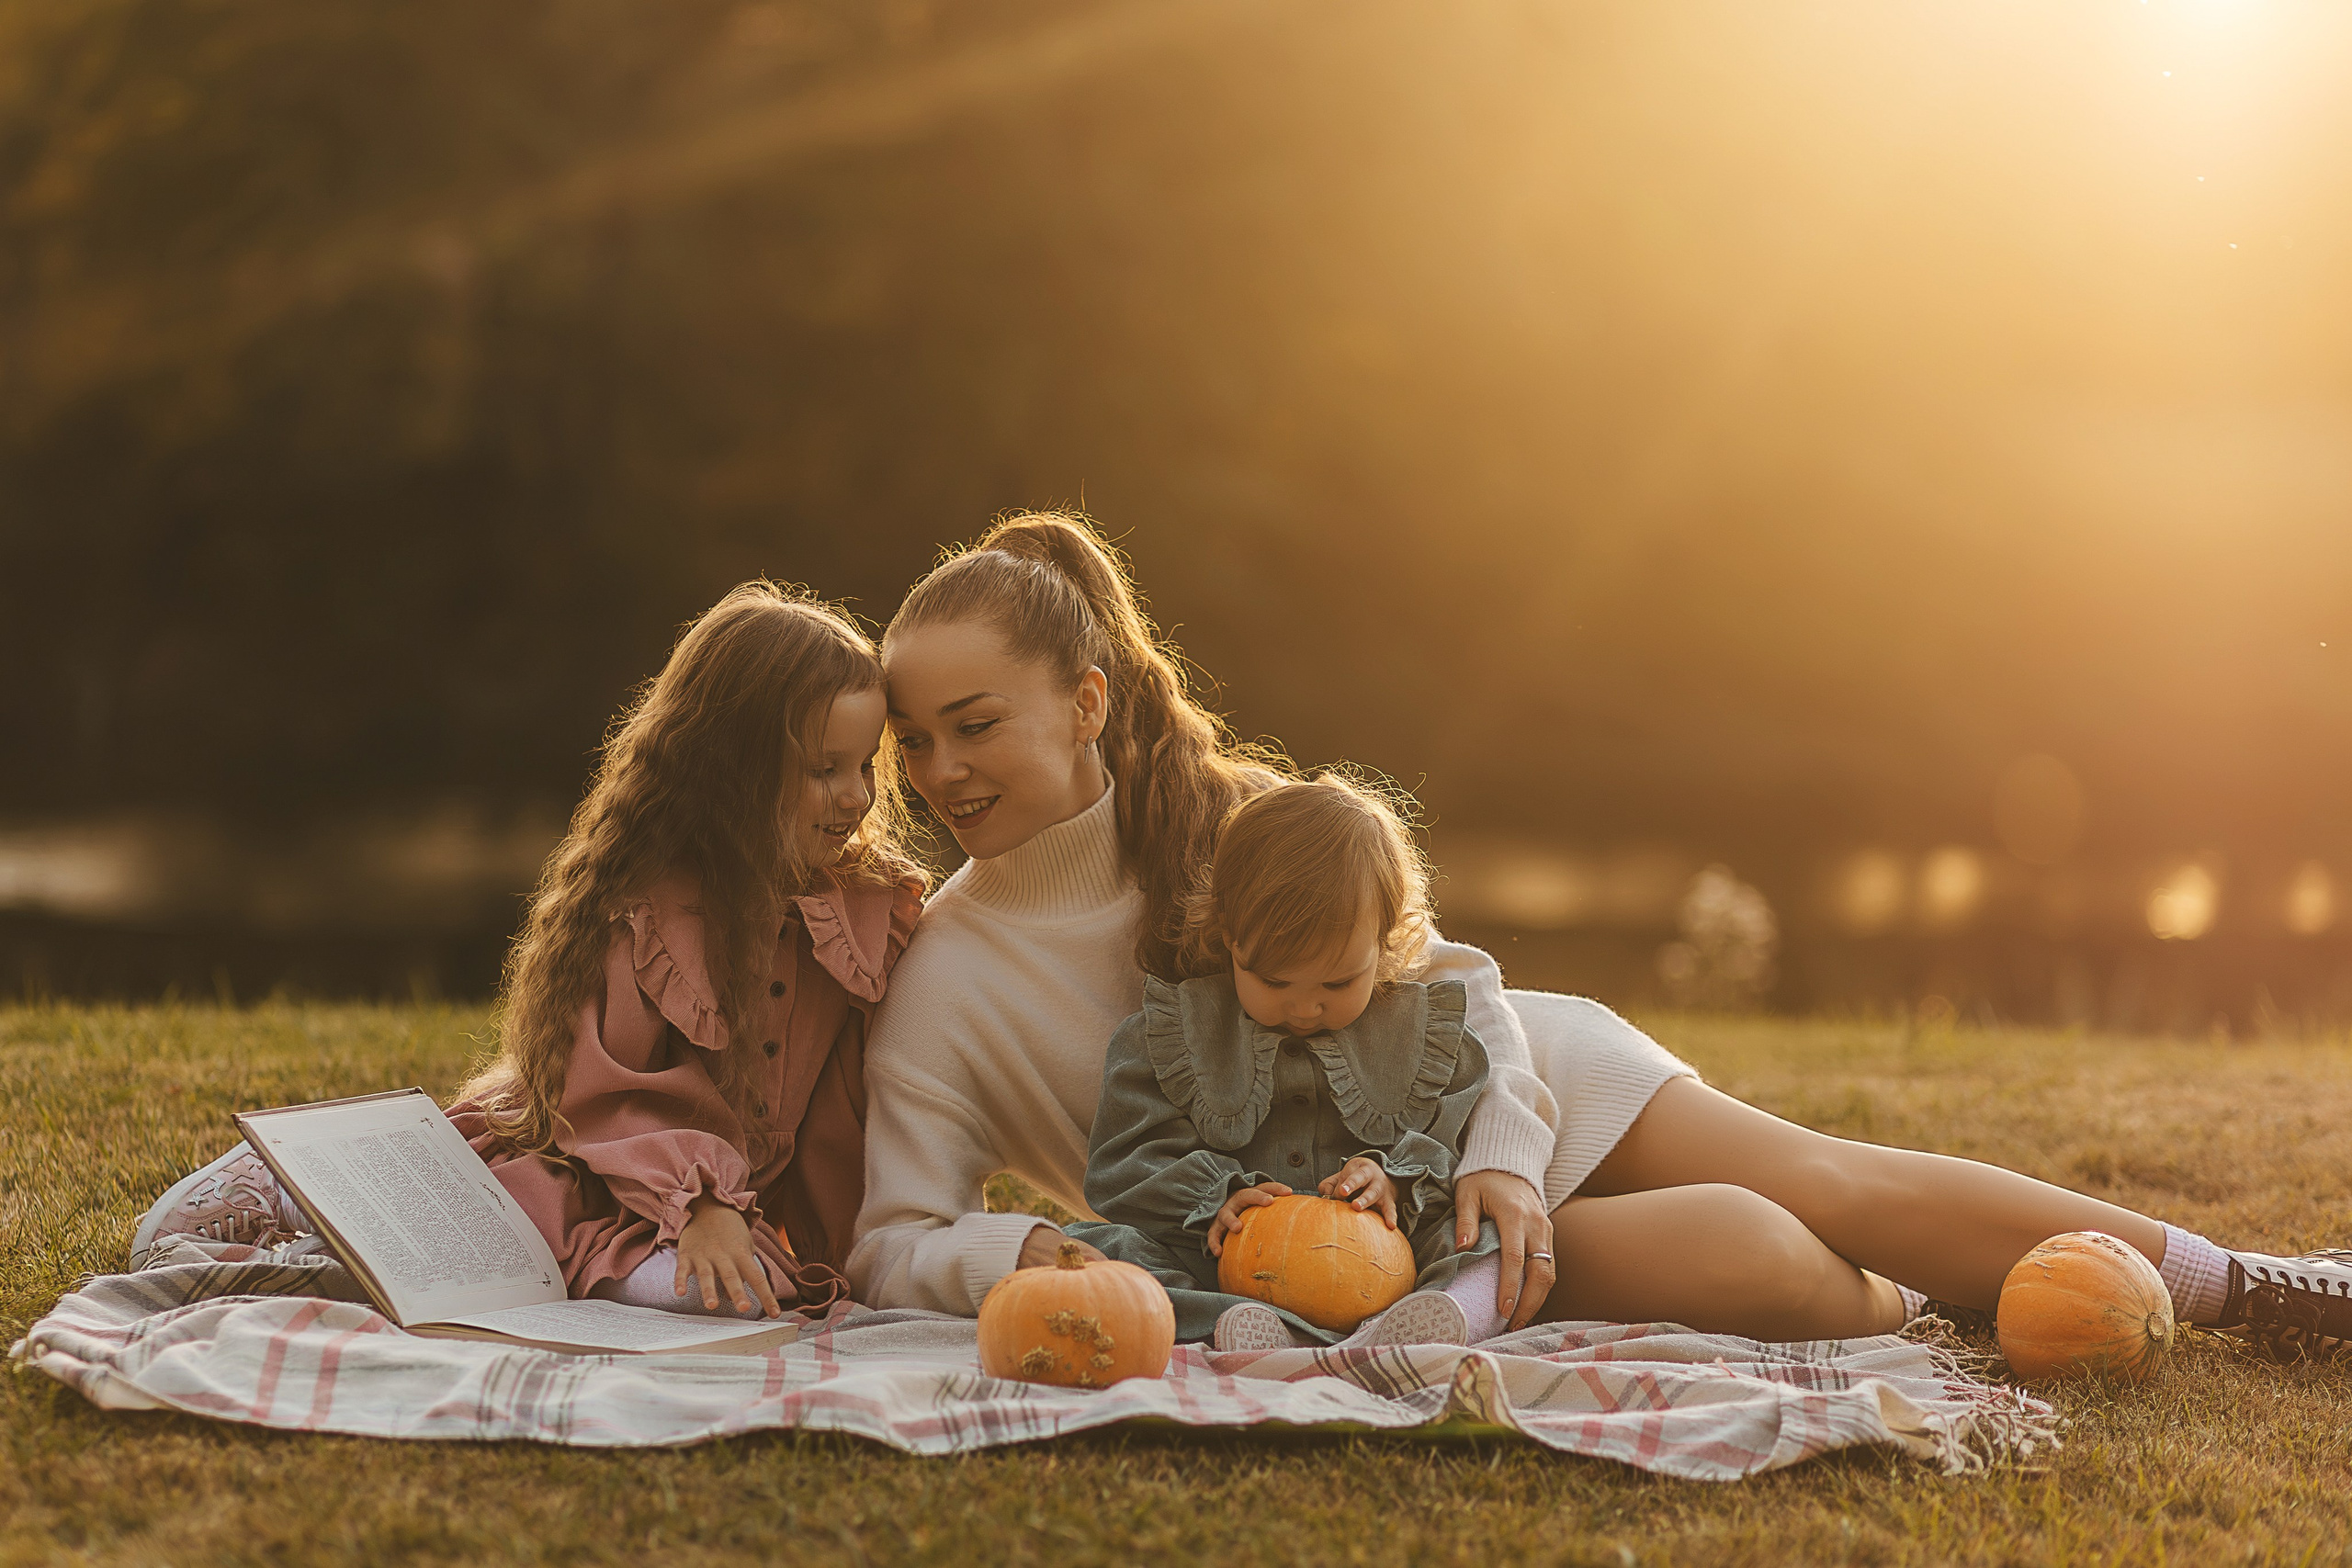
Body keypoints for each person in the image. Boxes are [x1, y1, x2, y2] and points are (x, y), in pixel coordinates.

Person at [853, 512, 2352, 1362]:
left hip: (1508, 1093)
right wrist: (1033, 1242)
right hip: (1383, 1251)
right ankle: (1945, 1297)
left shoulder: (1233, 816)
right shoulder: (949, 974)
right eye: (915, 741)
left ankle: (2261, 1283)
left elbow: (1455, 988)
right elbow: (890, 1242)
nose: (943, 770)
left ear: (1090, 696)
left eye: (973, 723)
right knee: (1762, 1260)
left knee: (1832, 1174)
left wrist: (1502, 1146)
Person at [133, 583, 928, 1322]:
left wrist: (847, 1255)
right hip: (587, 1168)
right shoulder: (654, 907)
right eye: (825, 770)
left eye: (864, 766)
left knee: (740, 1302)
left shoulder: (857, 916)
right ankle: (304, 1182)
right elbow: (612, 1093)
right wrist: (702, 1200)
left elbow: (837, 1119)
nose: (857, 796)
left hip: (711, 1212)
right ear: (734, 772)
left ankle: (356, 1211)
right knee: (224, 1234)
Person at [1088, 773, 1600, 1351]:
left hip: (1387, 1271)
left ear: (1385, 940)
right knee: (1113, 1250)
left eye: (1338, 981)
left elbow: (1450, 1145)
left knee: (1478, 1241)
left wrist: (1393, 1179)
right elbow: (1124, 1162)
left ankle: (1448, 1317)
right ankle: (1238, 1326)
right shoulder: (1173, 1035)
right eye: (1274, 980)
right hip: (1223, 1269)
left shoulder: (1423, 1035)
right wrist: (1214, 1199)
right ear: (1229, 935)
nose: (1305, 1006)